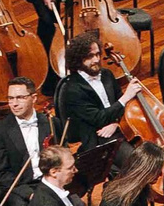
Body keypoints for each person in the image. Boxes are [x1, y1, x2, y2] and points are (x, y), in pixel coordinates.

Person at [0, 78, 58, 206]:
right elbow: (1, 174)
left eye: (20, 97)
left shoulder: (49, 122)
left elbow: (60, 156)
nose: (14, 103)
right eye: (11, 98)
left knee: (76, 205)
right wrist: (29, 193)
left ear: (34, 98)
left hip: (46, 183)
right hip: (16, 189)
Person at [54, 30, 129, 160]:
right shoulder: (72, 89)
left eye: (98, 54)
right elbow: (98, 118)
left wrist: (117, 124)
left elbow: (124, 105)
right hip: (97, 138)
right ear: (78, 59)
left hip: (117, 128)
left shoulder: (107, 75)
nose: (96, 60)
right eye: (90, 56)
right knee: (134, 159)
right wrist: (126, 97)